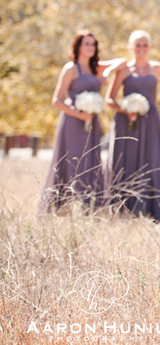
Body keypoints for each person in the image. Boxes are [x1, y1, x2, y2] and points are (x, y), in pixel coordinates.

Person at [40, 30, 122, 212]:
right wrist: (79, 115)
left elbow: (122, 62)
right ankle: (64, 206)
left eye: (93, 44)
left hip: (91, 123)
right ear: (78, 46)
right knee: (72, 160)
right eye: (87, 44)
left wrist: (107, 72)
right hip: (73, 122)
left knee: (91, 160)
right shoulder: (71, 68)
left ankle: (90, 207)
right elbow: (56, 100)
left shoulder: (95, 68)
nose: (91, 47)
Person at [104, 31, 160, 219]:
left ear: (149, 48)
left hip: (150, 122)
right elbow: (109, 99)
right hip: (127, 122)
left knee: (151, 160)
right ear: (131, 47)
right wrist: (126, 110)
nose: (141, 49)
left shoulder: (156, 68)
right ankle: (122, 209)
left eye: (144, 45)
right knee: (125, 161)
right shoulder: (124, 70)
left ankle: (151, 209)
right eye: (137, 45)